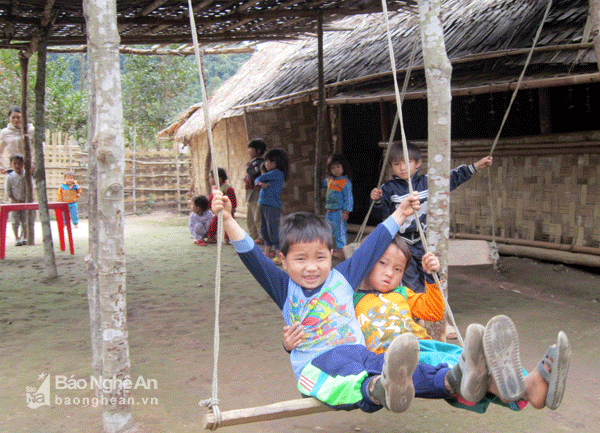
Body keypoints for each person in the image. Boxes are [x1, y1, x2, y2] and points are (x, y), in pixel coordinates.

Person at [211, 189, 499, 414]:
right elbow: (253, 257)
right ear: (284, 261)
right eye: (301, 259)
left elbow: (374, 244)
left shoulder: (342, 278)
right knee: (358, 382)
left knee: (399, 371)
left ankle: (453, 379)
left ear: (332, 255)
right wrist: (227, 220)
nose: (311, 267)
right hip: (318, 364)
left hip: (358, 352)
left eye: (320, 258)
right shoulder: (285, 289)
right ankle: (376, 389)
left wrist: (400, 213)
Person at [284, 235, 571, 413]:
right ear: (366, 264)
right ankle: (525, 389)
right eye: (382, 264)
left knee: (469, 363)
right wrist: (289, 345)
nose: (389, 274)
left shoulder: (403, 294)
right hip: (390, 357)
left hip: (425, 344)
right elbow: (326, 331)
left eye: (397, 269)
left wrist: (431, 278)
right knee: (460, 372)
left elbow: (434, 310)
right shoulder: (350, 301)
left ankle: (527, 384)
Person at [370, 141, 493, 294]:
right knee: (409, 279)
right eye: (396, 164)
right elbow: (381, 215)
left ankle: (428, 310)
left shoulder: (427, 182)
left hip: (425, 241)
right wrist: (377, 200)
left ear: (418, 163)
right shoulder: (388, 188)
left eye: (407, 162)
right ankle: (415, 314)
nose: (402, 168)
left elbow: (452, 178)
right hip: (403, 242)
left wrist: (475, 166)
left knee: (430, 275)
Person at [255, 148, 288, 265]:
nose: (265, 164)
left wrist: (259, 182)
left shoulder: (278, 173)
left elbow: (259, 178)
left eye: (266, 161)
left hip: (272, 206)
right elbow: (258, 180)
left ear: (274, 163)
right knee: (264, 230)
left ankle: (280, 255)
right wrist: (259, 183)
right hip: (264, 204)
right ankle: (267, 253)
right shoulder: (271, 174)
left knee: (273, 230)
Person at [321, 153, 353, 260]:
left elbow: (348, 198)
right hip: (329, 212)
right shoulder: (330, 180)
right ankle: (327, 250)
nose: (336, 170)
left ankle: (342, 251)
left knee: (340, 232)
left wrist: (346, 212)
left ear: (344, 167)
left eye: (338, 167)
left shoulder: (345, 182)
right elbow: (323, 184)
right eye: (333, 167)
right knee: (327, 231)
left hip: (339, 212)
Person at [244, 139, 267, 244]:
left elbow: (255, 173)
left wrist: (248, 168)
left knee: (257, 217)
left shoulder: (260, 163)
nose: (248, 151)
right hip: (250, 194)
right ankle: (253, 235)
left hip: (256, 193)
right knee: (250, 217)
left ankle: (261, 237)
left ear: (258, 150)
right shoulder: (253, 163)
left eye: (251, 148)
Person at [0, 106, 34, 176]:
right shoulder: (5, 133)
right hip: (12, 168)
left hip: (27, 167)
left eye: (18, 117)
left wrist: (34, 163)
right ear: (9, 118)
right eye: (13, 117)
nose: (16, 120)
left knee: (27, 186)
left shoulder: (30, 130)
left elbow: (36, 149)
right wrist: (1, 165)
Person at [206, 168, 236, 244]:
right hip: (219, 210)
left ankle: (227, 239)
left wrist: (232, 208)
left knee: (229, 224)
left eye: (211, 178)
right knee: (215, 223)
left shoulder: (227, 187)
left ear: (219, 178)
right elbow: (211, 199)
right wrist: (210, 207)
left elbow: (232, 199)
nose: (210, 180)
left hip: (227, 210)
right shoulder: (215, 188)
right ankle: (210, 236)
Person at [4, 153, 27, 246]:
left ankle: (25, 237)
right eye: (15, 163)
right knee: (15, 221)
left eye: (20, 163)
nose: (18, 165)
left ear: (23, 164)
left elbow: (30, 189)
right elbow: (8, 191)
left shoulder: (26, 176)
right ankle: (17, 238)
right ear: (11, 164)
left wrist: (26, 200)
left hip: (25, 202)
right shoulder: (10, 177)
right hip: (14, 202)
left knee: (25, 221)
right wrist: (15, 201)